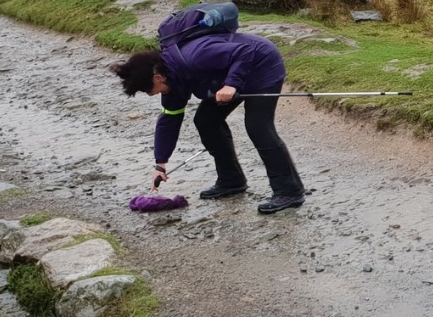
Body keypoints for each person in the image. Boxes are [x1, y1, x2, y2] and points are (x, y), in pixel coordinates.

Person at [111, 27, 307, 214]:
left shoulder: (195, 56)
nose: (150, 95)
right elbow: (169, 120)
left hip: (262, 64)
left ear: (157, 78)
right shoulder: (172, 81)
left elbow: (245, 51)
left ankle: (289, 191)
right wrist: (160, 164)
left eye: (148, 90)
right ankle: (231, 181)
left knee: (258, 126)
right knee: (206, 120)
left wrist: (231, 84)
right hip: (230, 79)